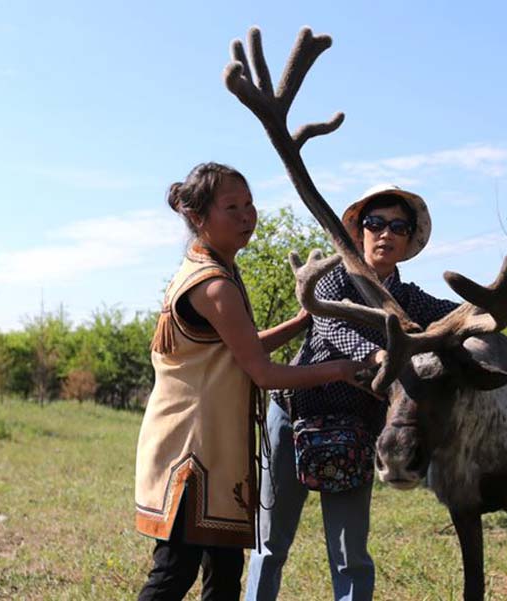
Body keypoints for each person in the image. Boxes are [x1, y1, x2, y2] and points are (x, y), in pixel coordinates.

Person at [134, 162, 365, 601]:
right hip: (194, 457)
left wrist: (301, 321)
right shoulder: (214, 285)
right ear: (199, 218)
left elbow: (239, 346)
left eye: (249, 204)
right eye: (232, 207)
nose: (247, 216)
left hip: (210, 455)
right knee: (174, 573)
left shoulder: (210, 269)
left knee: (223, 573)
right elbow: (262, 371)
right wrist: (339, 369)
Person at [244, 184, 459, 601]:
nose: (385, 233)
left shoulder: (410, 299)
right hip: (293, 417)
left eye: (398, 226)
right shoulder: (332, 278)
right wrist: (376, 356)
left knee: (350, 554)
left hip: (356, 431)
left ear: (409, 239)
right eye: (374, 223)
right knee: (270, 544)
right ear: (359, 232)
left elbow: (459, 316)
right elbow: (329, 326)